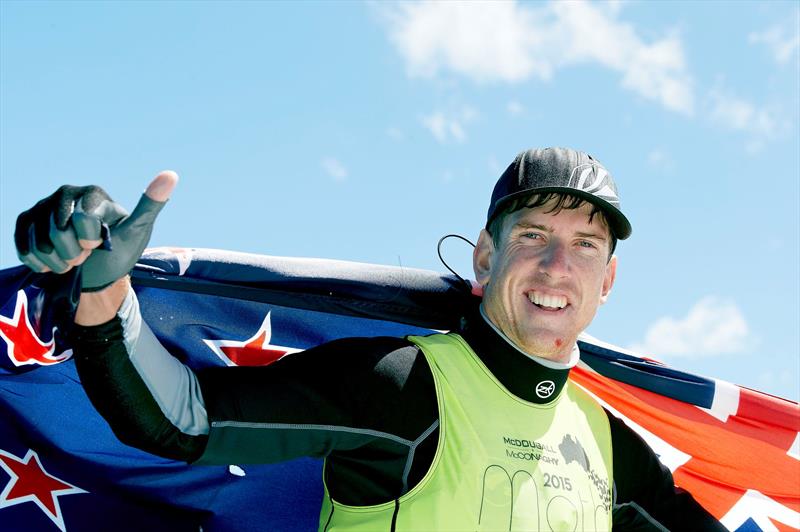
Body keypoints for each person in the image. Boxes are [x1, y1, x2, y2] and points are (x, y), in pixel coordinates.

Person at [14, 147, 726, 530]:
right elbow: (181, 420)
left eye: (585, 247)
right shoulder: (400, 386)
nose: (556, 268)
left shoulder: (611, 446)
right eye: (533, 237)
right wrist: (105, 296)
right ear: (485, 256)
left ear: (608, 282)